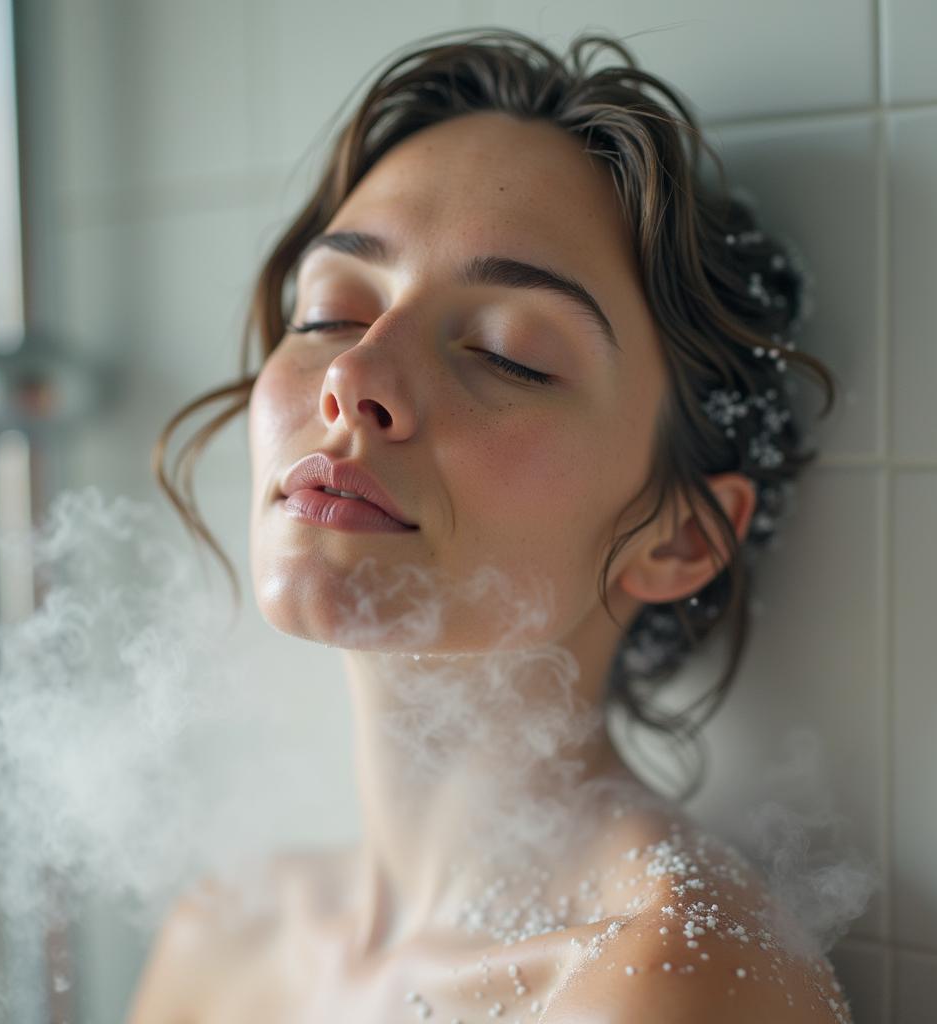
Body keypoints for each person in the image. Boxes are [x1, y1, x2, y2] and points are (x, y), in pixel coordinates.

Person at [130, 27, 852, 1023]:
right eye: (332, 311)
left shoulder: (664, 977)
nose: (353, 376)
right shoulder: (226, 935)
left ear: (677, 537)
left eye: (510, 353)